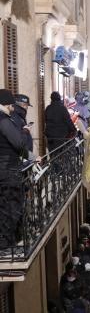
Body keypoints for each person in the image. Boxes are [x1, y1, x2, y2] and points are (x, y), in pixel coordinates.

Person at [0, 88, 30, 249]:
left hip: (3, 170)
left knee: (5, 206)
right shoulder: (4, 121)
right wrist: (25, 132)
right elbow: (18, 144)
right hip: (9, 170)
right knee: (11, 207)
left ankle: (7, 241)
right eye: (11, 104)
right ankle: (7, 244)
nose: (13, 108)